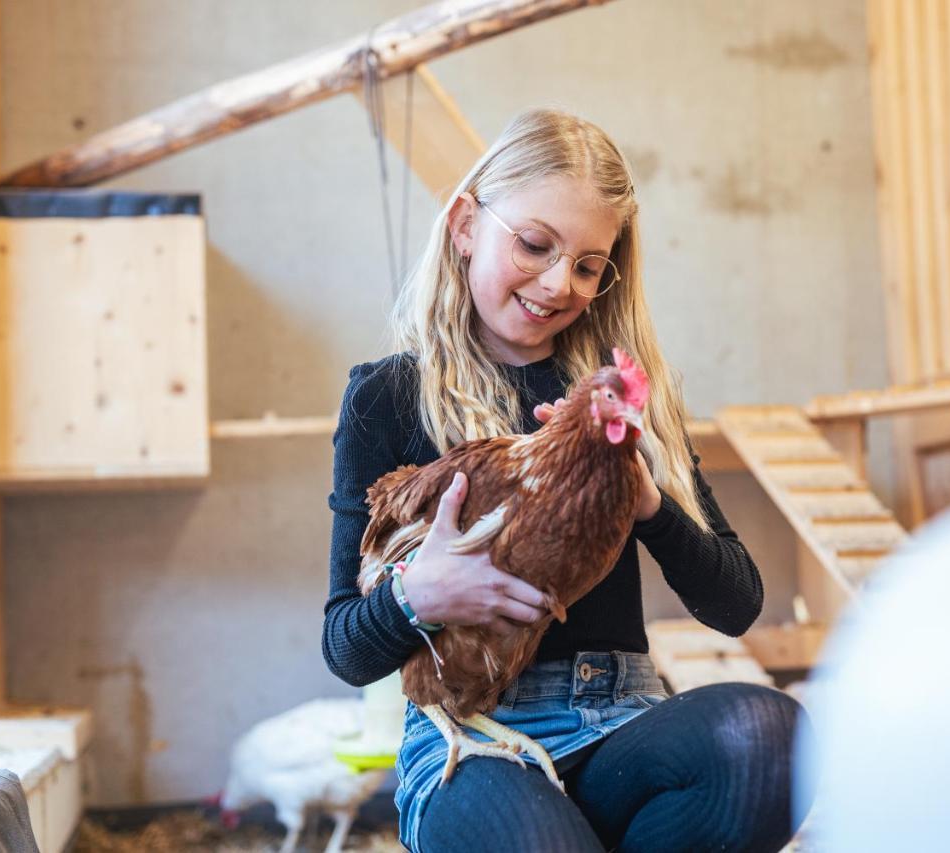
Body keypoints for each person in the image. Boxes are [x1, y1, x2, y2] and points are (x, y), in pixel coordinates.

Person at [323, 107, 813, 852]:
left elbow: (737, 603)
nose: (559, 283)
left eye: (588, 264)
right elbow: (344, 646)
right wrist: (417, 594)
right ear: (464, 225)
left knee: (770, 737)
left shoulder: (620, 394)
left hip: (622, 717)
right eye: (534, 244)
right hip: (469, 736)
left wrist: (651, 504)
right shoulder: (390, 397)